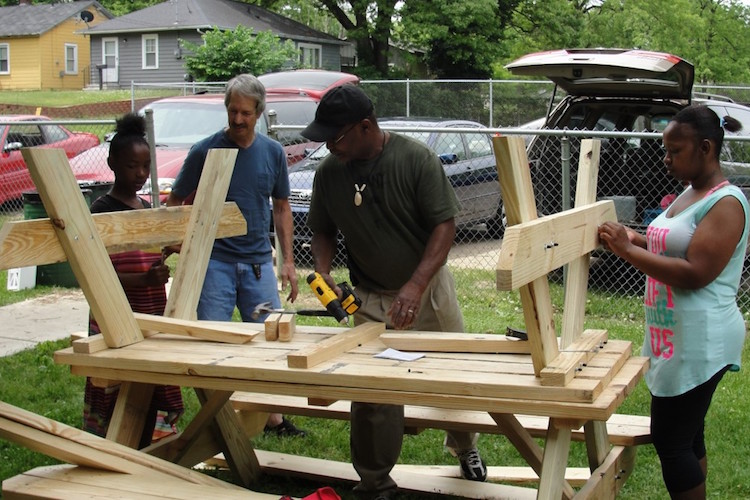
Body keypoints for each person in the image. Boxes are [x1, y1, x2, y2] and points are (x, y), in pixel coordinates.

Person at [300, 85, 487, 500]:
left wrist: (416, 285)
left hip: (428, 291)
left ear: (365, 127)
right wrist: (322, 270)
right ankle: (375, 482)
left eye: (335, 137)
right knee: (371, 394)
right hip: (370, 297)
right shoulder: (330, 172)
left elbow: (445, 226)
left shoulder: (415, 159)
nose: (328, 146)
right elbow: (323, 228)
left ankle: (465, 447)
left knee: (453, 379)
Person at [598, 105, 747, 500]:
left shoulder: (726, 203)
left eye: (674, 151)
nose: (666, 159)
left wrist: (625, 252)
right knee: (688, 434)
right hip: (675, 336)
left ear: (705, 148)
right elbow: (670, 243)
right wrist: (635, 238)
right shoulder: (690, 190)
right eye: (665, 150)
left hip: (702, 340)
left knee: (672, 440)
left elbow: (695, 272)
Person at [166, 74, 305, 437]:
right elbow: (175, 202)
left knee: (270, 340)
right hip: (215, 265)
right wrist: (182, 241)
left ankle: (273, 419)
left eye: (245, 112)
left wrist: (287, 261)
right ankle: (220, 421)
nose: (238, 119)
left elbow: (281, 207)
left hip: (259, 263)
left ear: (258, 112)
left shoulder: (272, 153)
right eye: (232, 111)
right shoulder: (206, 150)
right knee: (213, 344)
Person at [83, 113, 184, 447]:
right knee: (119, 385)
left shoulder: (145, 208)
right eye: (131, 166)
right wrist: (143, 280)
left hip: (150, 312)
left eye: (146, 166)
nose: (141, 174)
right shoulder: (101, 210)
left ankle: (149, 447)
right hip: (116, 316)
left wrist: (166, 249)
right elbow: (95, 271)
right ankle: (114, 448)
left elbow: (147, 255)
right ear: (112, 163)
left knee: (152, 382)